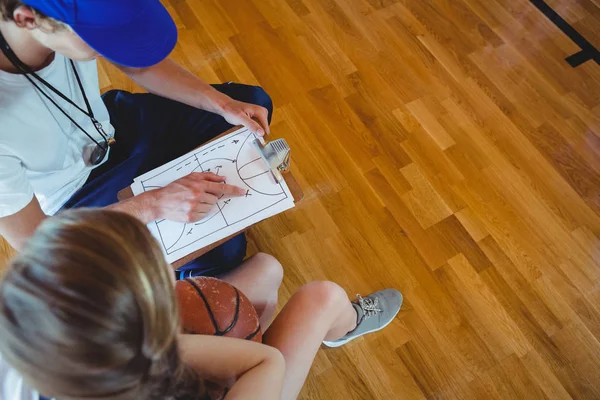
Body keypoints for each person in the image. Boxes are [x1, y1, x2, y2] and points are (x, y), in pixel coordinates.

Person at [0, 209, 403, 400]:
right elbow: (266, 364)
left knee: (265, 270)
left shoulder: (26, 335)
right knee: (323, 298)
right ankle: (342, 324)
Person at [0, 0, 273, 278]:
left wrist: (222, 105)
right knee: (222, 250)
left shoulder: (57, 25)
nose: (115, 45)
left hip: (106, 126)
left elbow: (138, 64)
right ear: (26, 19)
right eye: (101, 38)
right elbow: (34, 242)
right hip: (73, 195)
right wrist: (155, 203)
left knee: (249, 106)